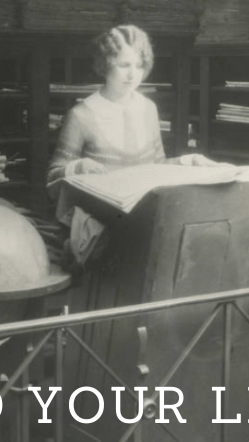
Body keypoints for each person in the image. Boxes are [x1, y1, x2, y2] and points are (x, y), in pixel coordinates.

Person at [47, 24, 214, 263]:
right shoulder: (81, 115)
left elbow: (156, 166)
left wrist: (187, 161)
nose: (132, 74)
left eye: (139, 65)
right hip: (100, 227)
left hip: (145, 217)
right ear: (105, 64)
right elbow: (52, 180)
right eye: (124, 65)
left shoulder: (148, 109)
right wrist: (79, 166)